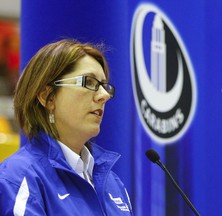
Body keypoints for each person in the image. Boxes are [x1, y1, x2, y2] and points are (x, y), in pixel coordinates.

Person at [0, 39, 133, 215]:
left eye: (103, 85)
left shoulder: (113, 184)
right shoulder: (18, 178)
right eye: (89, 82)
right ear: (48, 97)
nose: (104, 95)